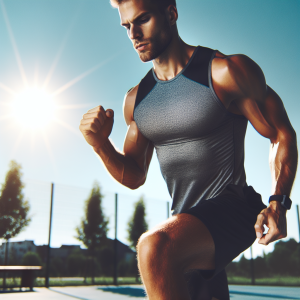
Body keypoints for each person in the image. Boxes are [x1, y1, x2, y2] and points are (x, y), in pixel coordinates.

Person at [79, 0, 298, 299]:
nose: (134, 34)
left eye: (142, 20)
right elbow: (133, 175)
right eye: (127, 26)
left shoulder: (224, 72)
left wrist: (279, 203)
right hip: (186, 223)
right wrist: (101, 145)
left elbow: (281, 134)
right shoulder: (137, 100)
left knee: (154, 248)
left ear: (170, 13)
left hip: (234, 206)